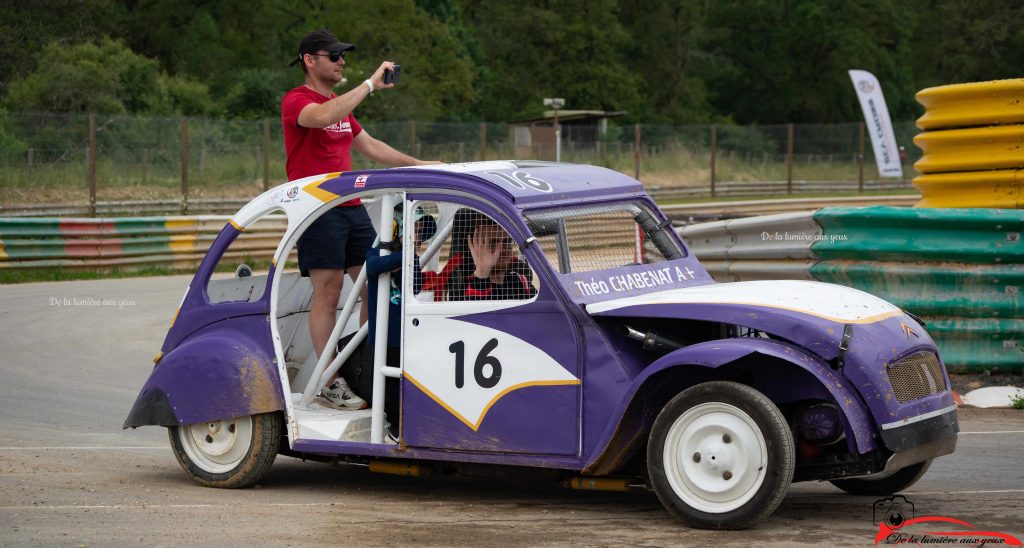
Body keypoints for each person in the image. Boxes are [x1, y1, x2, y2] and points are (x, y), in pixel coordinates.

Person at [281, 29, 437, 409]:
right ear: (309, 60)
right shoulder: (297, 100)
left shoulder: (339, 104)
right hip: (318, 209)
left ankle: (367, 364)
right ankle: (329, 381)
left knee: (374, 287)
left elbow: (370, 146)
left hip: (351, 207)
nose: (341, 62)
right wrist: (369, 83)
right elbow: (320, 117)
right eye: (333, 56)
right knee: (329, 292)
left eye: (342, 56)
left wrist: (421, 165)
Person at [345, 205, 436, 440]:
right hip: (383, 335)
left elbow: (415, 287)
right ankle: (393, 425)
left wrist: (406, 258)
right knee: (386, 386)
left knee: (403, 381)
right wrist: (402, 256)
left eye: (420, 232)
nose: (418, 237)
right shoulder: (376, 253)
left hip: (403, 333)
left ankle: (402, 423)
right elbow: (374, 268)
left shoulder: (411, 259)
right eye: (414, 230)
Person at [455, 214, 536, 301]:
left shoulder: (520, 281)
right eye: (492, 243)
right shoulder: (465, 287)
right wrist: (482, 270)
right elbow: (473, 312)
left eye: (506, 242)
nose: (501, 250)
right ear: (474, 247)